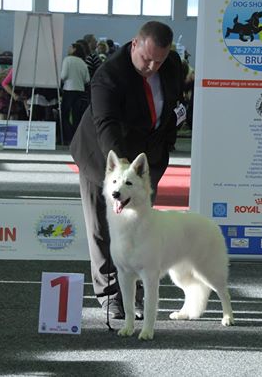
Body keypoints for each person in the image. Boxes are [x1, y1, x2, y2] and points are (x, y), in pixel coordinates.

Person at [70, 21, 183, 319]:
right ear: (134, 44)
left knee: (140, 228)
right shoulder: (108, 76)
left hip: (146, 162)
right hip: (103, 160)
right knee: (103, 228)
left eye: (159, 60)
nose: (152, 67)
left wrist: (166, 143)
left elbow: (175, 105)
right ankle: (110, 295)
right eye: (146, 59)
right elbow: (106, 127)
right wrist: (121, 175)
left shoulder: (171, 64)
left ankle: (135, 289)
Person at [60, 42, 90, 144]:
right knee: (77, 115)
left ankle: (66, 138)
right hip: (80, 91)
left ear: (74, 49)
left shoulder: (67, 60)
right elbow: (87, 79)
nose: (68, 49)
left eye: (70, 47)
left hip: (69, 89)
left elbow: (63, 76)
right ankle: (77, 139)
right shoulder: (82, 62)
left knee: (65, 115)